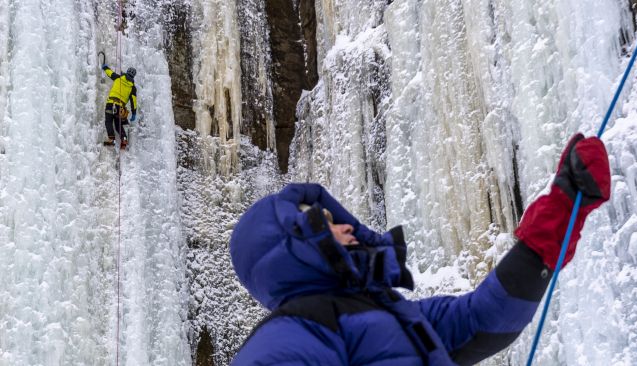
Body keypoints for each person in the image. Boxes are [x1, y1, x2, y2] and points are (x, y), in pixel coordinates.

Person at [229, 133, 610, 365]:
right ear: (293, 245)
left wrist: (563, 203)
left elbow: (486, 319)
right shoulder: (289, 336)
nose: (346, 225)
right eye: (325, 224)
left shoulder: (394, 315)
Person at [102, 64, 137, 147]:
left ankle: (111, 139)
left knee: (108, 121)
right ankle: (124, 139)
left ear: (127, 72)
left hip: (111, 104)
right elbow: (133, 101)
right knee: (118, 124)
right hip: (120, 107)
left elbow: (110, 73)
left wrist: (105, 68)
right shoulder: (132, 88)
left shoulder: (118, 77)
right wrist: (134, 112)